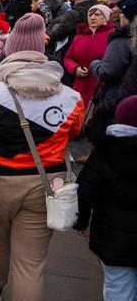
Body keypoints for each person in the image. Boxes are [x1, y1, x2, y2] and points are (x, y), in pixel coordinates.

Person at [0, 15, 84, 301]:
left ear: (10, 49)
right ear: (43, 51)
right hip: (46, 185)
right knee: (31, 264)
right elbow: (75, 134)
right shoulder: (72, 98)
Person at [73, 95, 137, 301]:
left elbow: (86, 191)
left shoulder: (105, 152)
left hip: (113, 237)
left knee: (118, 287)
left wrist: (80, 221)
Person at [63, 4, 114, 106]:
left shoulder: (112, 35)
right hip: (79, 87)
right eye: (90, 15)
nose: (92, 17)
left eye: (97, 14)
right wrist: (75, 68)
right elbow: (68, 57)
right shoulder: (80, 36)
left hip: (101, 88)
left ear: (106, 18)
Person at [90, 0, 137, 102]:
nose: (120, 15)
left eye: (123, 13)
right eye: (90, 14)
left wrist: (95, 64)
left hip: (118, 98)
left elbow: (107, 71)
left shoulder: (122, 40)